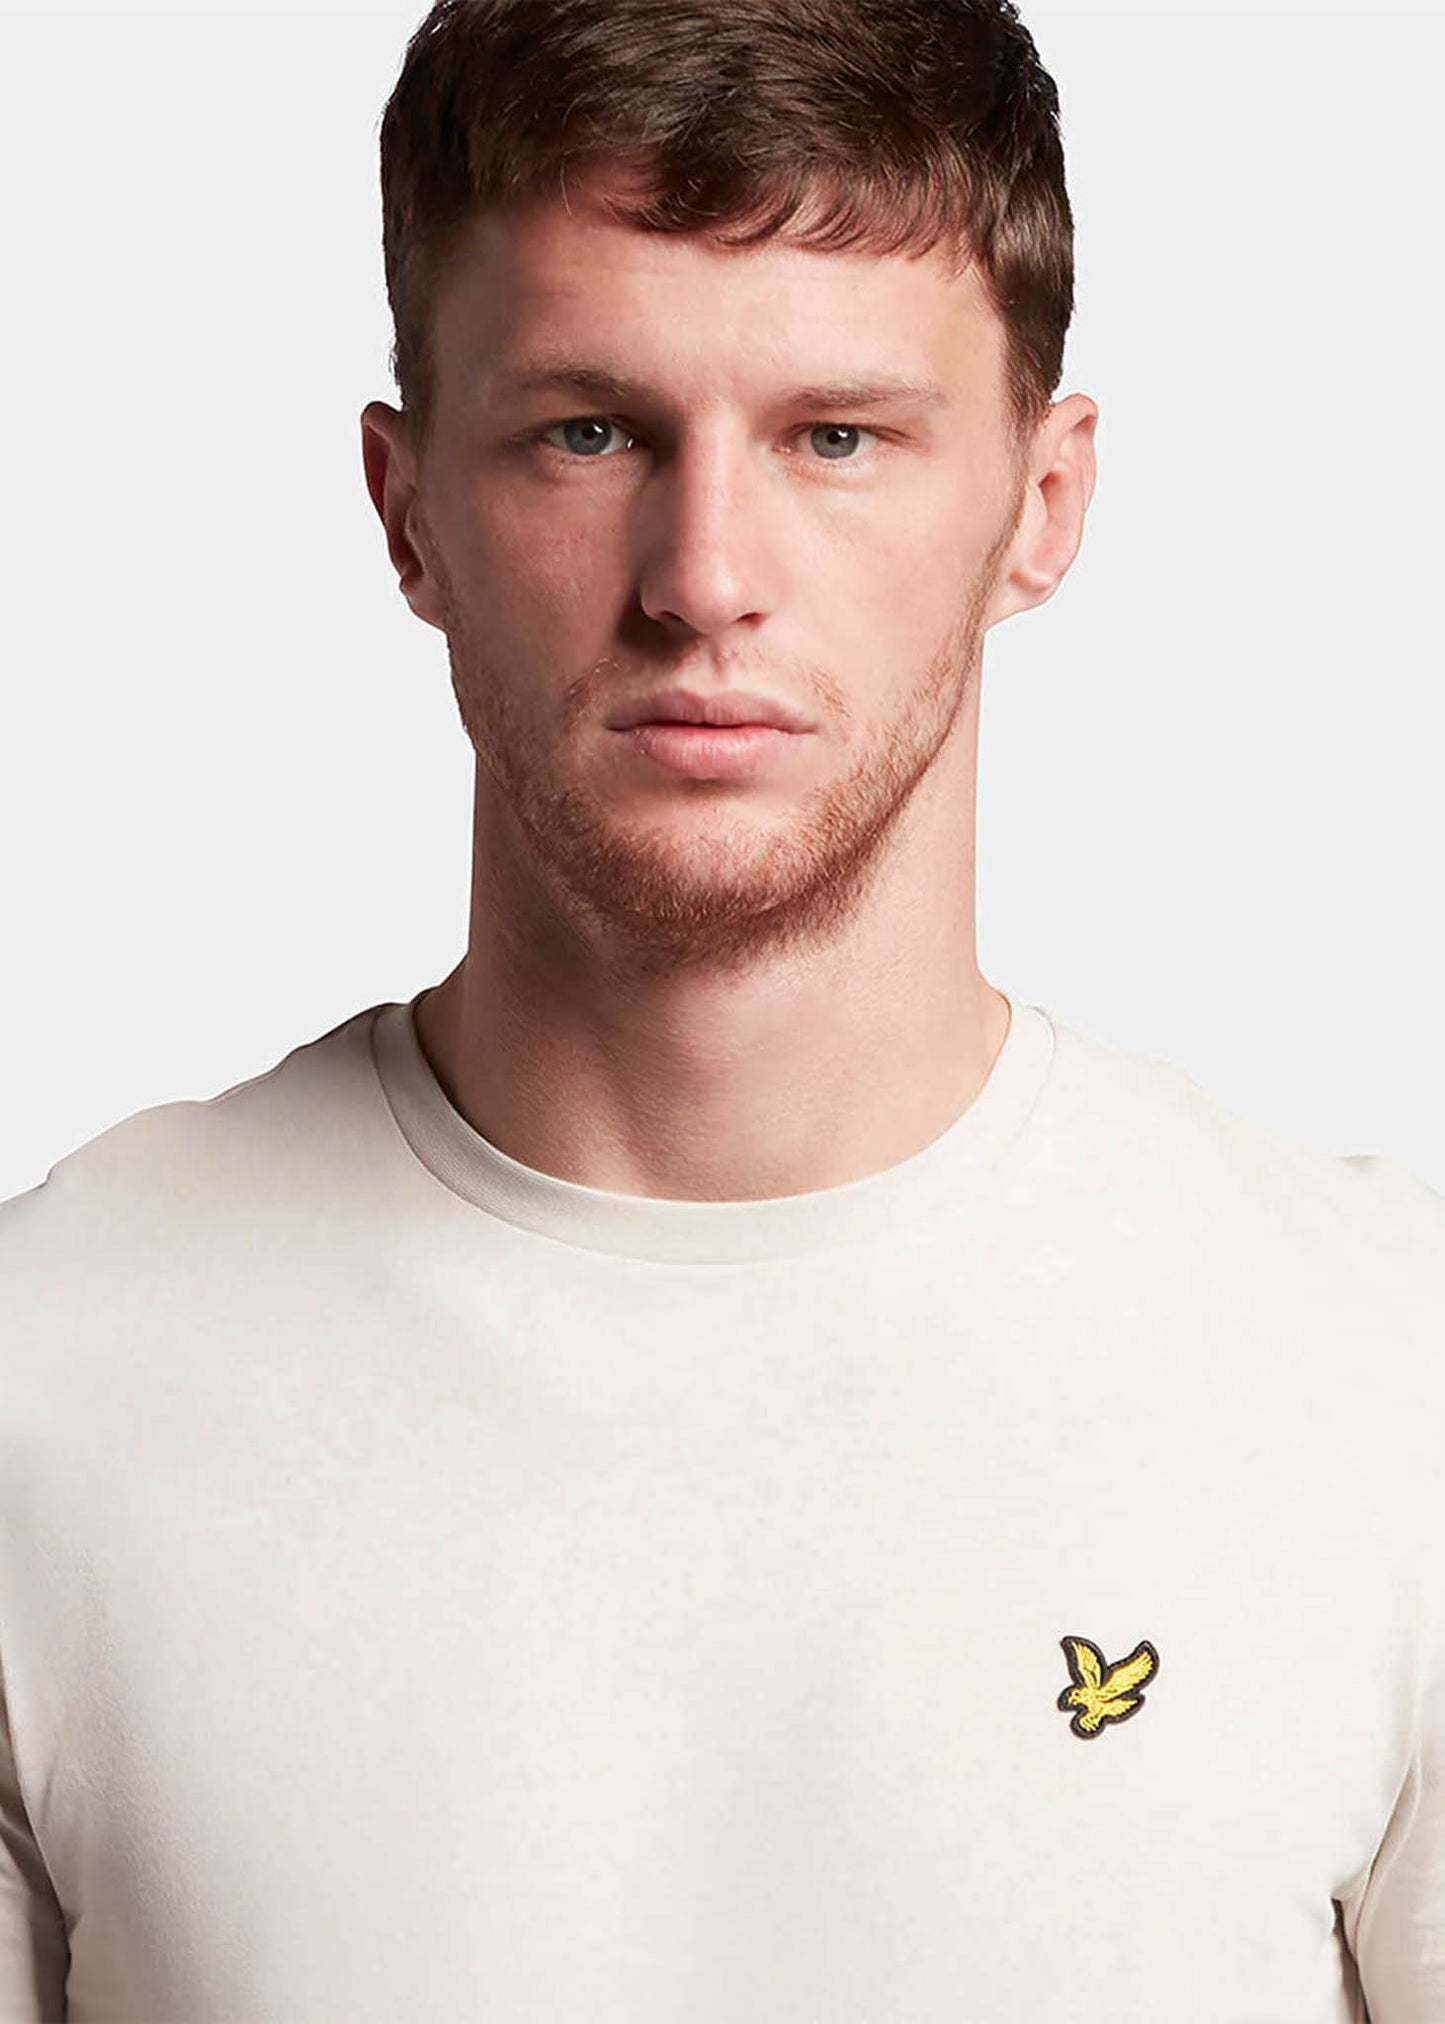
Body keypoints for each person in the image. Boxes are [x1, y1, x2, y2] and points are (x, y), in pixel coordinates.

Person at [1, 0, 1440, 2015]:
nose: (703, 577)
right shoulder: (49, 1379)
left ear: (1043, 501)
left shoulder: (1385, 1382)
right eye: (589, 431)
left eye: (836, 436)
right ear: (405, 509)